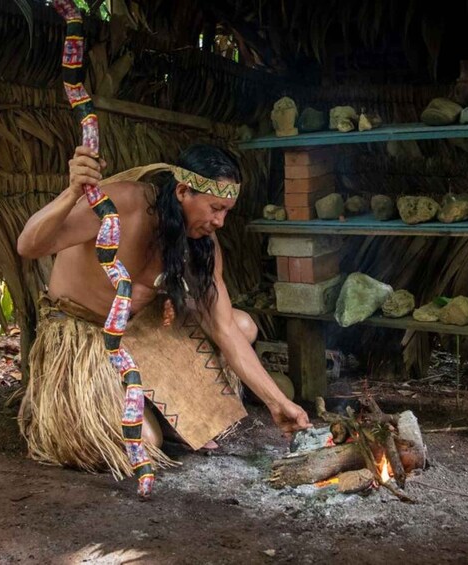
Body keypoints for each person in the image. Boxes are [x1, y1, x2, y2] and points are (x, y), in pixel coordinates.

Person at [16, 143, 311, 477]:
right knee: (142, 445)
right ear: (184, 191)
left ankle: (164, 412)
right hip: (88, 338)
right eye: (216, 208)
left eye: (226, 211)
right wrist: (72, 192)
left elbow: (225, 328)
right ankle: (118, 414)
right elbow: (29, 246)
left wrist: (277, 402)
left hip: (141, 330)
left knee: (242, 326)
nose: (220, 221)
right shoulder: (120, 205)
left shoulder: (201, 241)